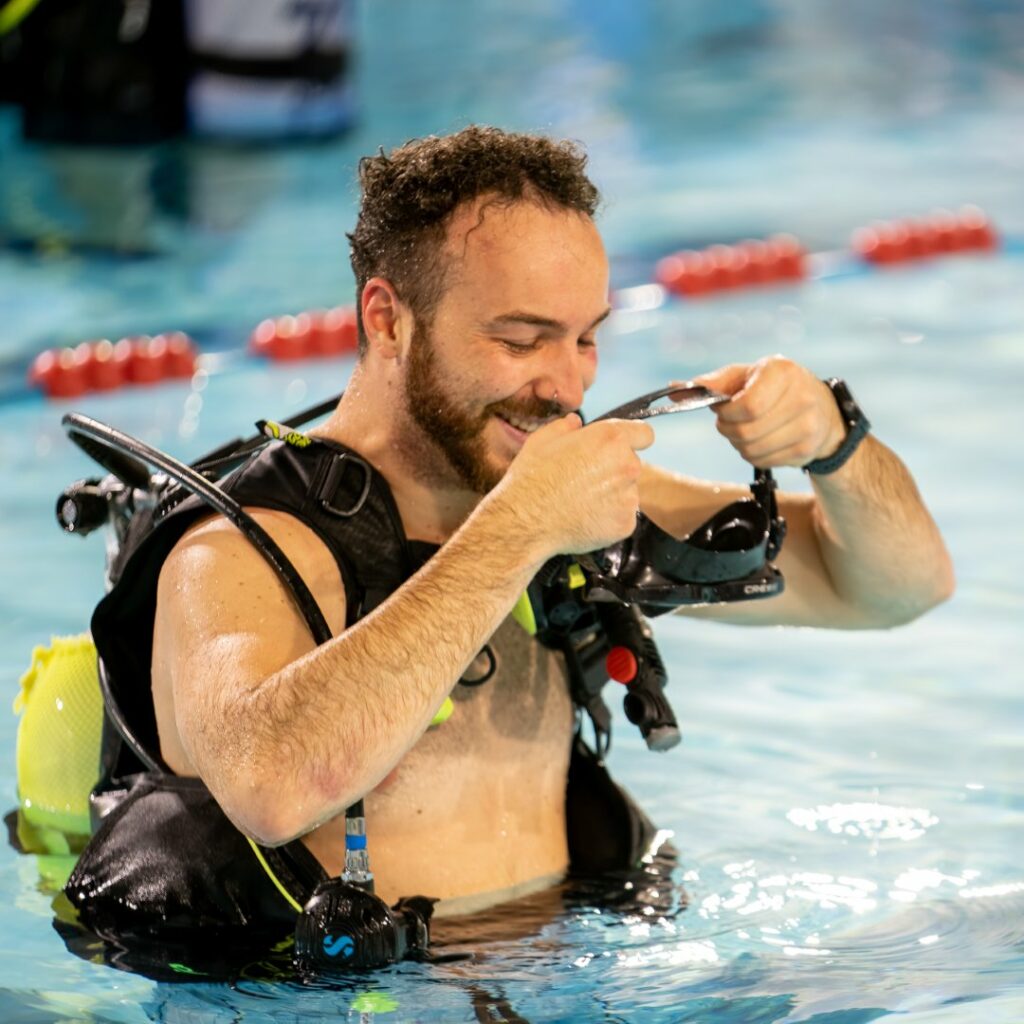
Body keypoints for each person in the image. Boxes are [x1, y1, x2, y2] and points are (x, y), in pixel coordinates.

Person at [65, 126, 953, 955]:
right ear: (387, 319)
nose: (567, 385)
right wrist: (522, 528)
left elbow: (892, 588)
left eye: (587, 338)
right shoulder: (240, 551)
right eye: (522, 340)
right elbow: (271, 784)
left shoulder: (563, 498)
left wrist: (837, 444)